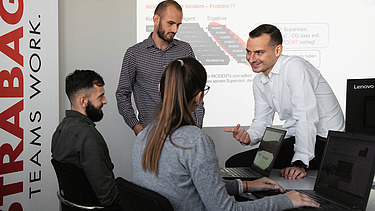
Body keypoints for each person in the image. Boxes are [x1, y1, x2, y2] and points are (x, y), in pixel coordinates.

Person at [132, 57, 319, 210]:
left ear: (160, 89)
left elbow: (187, 184)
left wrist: (244, 185)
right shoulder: (195, 141)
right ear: (199, 97)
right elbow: (226, 210)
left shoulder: (144, 136)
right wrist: (287, 200)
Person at [224, 24, 345, 180]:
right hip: (298, 138)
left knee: (242, 165)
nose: (251, 59)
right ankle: (265, 204)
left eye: (259, 52)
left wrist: (301, 162)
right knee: (235, 164)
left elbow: (306, 117)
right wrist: (249, 136)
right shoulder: (259, 81)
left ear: (278, 50)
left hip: (327, 143)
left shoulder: (294, 67)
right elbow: (262, 121)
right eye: (249, 52)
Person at [116, 0, 204, 136]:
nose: (175, 30)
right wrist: (136, 126)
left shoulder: (185, 50)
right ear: (156, 19)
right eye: (171, 23)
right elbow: (122, 93)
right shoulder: (134, 54)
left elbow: (196, 89)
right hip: (150, 134)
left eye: (178, 25)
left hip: (184, 132)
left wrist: (197, 126)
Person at [51, 70, 121, 207]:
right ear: (83, 101)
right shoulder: (88, 136)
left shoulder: (59, 130)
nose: (105, 101)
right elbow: (108, 196)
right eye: (101, 96)